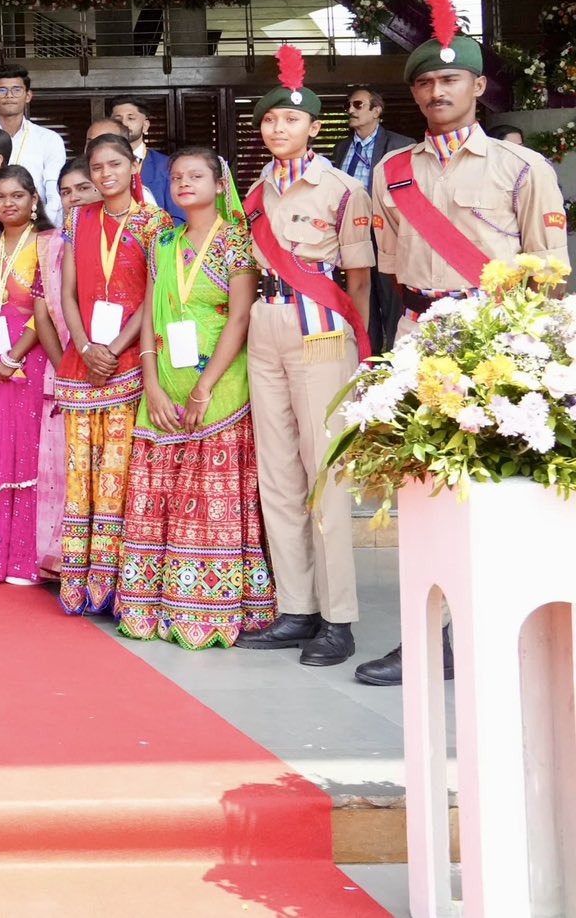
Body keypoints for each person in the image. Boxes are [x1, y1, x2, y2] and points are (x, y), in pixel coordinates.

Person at [355, 0, 570, 686]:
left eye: (449, 78)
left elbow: (548, 275)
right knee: (428, 482)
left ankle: (502, 619)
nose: (436, 90)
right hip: (422, 335)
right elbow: (391, 273)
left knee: (499, 480)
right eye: (423, 82)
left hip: (498, 341)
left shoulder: (523, 168)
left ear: (478, 85)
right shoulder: (390, 175)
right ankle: (433, 630)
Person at [225, 50, 375, 665]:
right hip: (265, 324)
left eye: (291, 120)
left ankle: (339, 618)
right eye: (269, 122)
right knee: (278, 473)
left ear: (315, 127)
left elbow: (360, 280)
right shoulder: (254, 191)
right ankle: (297, 608)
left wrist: (359, 348)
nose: (278, 129)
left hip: (321, 332)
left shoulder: (344, 190)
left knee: (326, 473)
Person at [115, 150, 272, 648]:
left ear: (218, 183)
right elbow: (150, 316)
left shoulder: (237, 242)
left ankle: (210, 610)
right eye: (177, 177)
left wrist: (205, 387)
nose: (184, 184)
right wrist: (151, 383)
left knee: (210, 499)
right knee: (158, 495)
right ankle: (152, 606)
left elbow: (241, 318)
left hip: (220, 388)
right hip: (163, 383)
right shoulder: (164, 240)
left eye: (195, 176)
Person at [55, 133, 174, 615]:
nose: (105, 175)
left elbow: (156, 294)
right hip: (80, 362)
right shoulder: (78, 217)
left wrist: (113, 348)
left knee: (120, 475)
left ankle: (119, 586)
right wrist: (86, 346)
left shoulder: (155, 221)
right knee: (80, 473)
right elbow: (67, 291)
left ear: (132, 168)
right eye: (97, 168)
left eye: (114, 165)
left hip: (127, 362)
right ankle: (80, 582)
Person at [0, 165, 59, 585]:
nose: (8, 203)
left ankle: (26, 558)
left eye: (17, 196)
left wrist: (14, 357)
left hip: (30, 362)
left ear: (34, 200)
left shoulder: (47, 244)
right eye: (0, 196)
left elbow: (47, 311)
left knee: (29, 451)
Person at [36, 159, 100, 579]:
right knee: (62, 470)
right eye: (66, 192)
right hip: (65, 372)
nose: (74, 198)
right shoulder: (49, 245)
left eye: (82, 188)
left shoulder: (118, 235)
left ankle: (103, 562)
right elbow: (41, 314)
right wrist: (67, 369)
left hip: (115, 371)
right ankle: (63, 560)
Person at [331, 86, 414, 355]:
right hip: (352, 238)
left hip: (385, 234)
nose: (350, 111)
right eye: (349, 106)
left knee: (391, 301)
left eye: (357, 105)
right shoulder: (342, 147)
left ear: (376, 110)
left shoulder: (400, 145)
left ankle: (394, 360)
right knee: (360, 299)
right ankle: (368, 356)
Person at [0, 64, 69, 226]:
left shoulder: (48, 139)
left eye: (16, 90)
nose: (9, 95)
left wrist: (44, 228)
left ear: (28, 95)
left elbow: (54, 192)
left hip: (37, 224)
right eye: (1, 90)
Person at [109, 95, 178, 223]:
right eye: (118, 119)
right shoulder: (99, 167)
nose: (124, 123)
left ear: (145, 125)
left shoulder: (166, 165)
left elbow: (179, 216)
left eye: (131, 118)